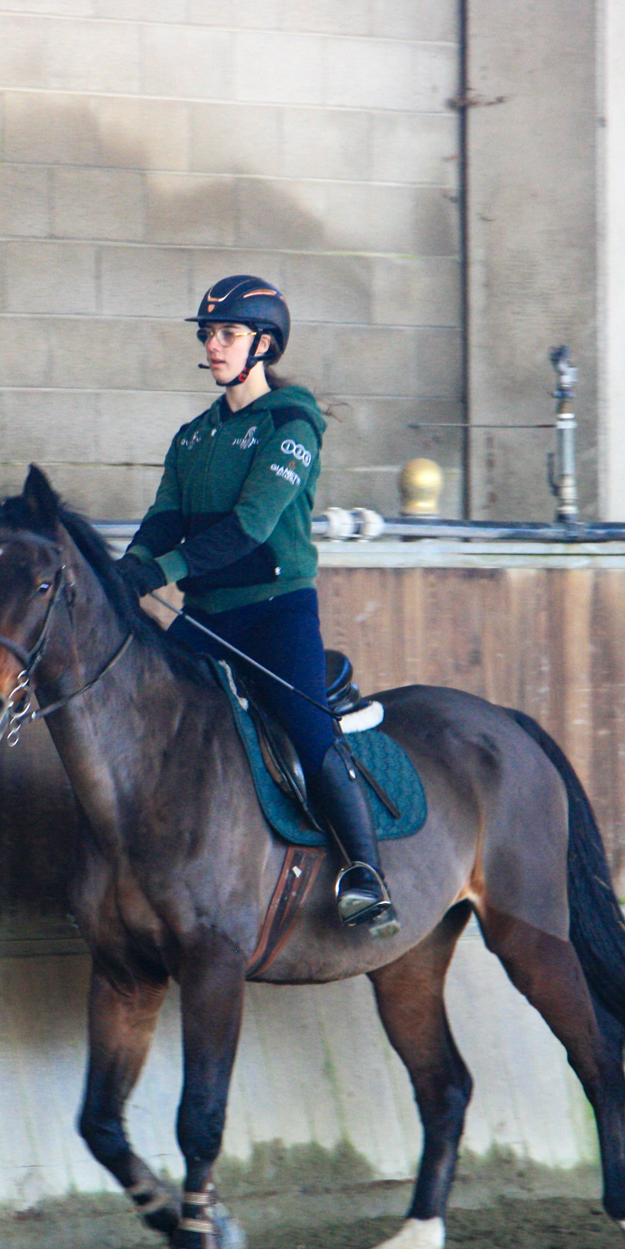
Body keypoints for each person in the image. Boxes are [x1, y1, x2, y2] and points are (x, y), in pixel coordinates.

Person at [113, 274, 398, 937]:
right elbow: (163, 519)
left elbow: (250, 526)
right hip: (205, 616)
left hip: (275, 612)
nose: (213, 345)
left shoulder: (292, 425)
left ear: (263, 345)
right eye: (208, 334)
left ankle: (366, 874)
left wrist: (161, 571)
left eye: (229, 334)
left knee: (306, 725)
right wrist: (125, 569)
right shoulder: (192, 438)